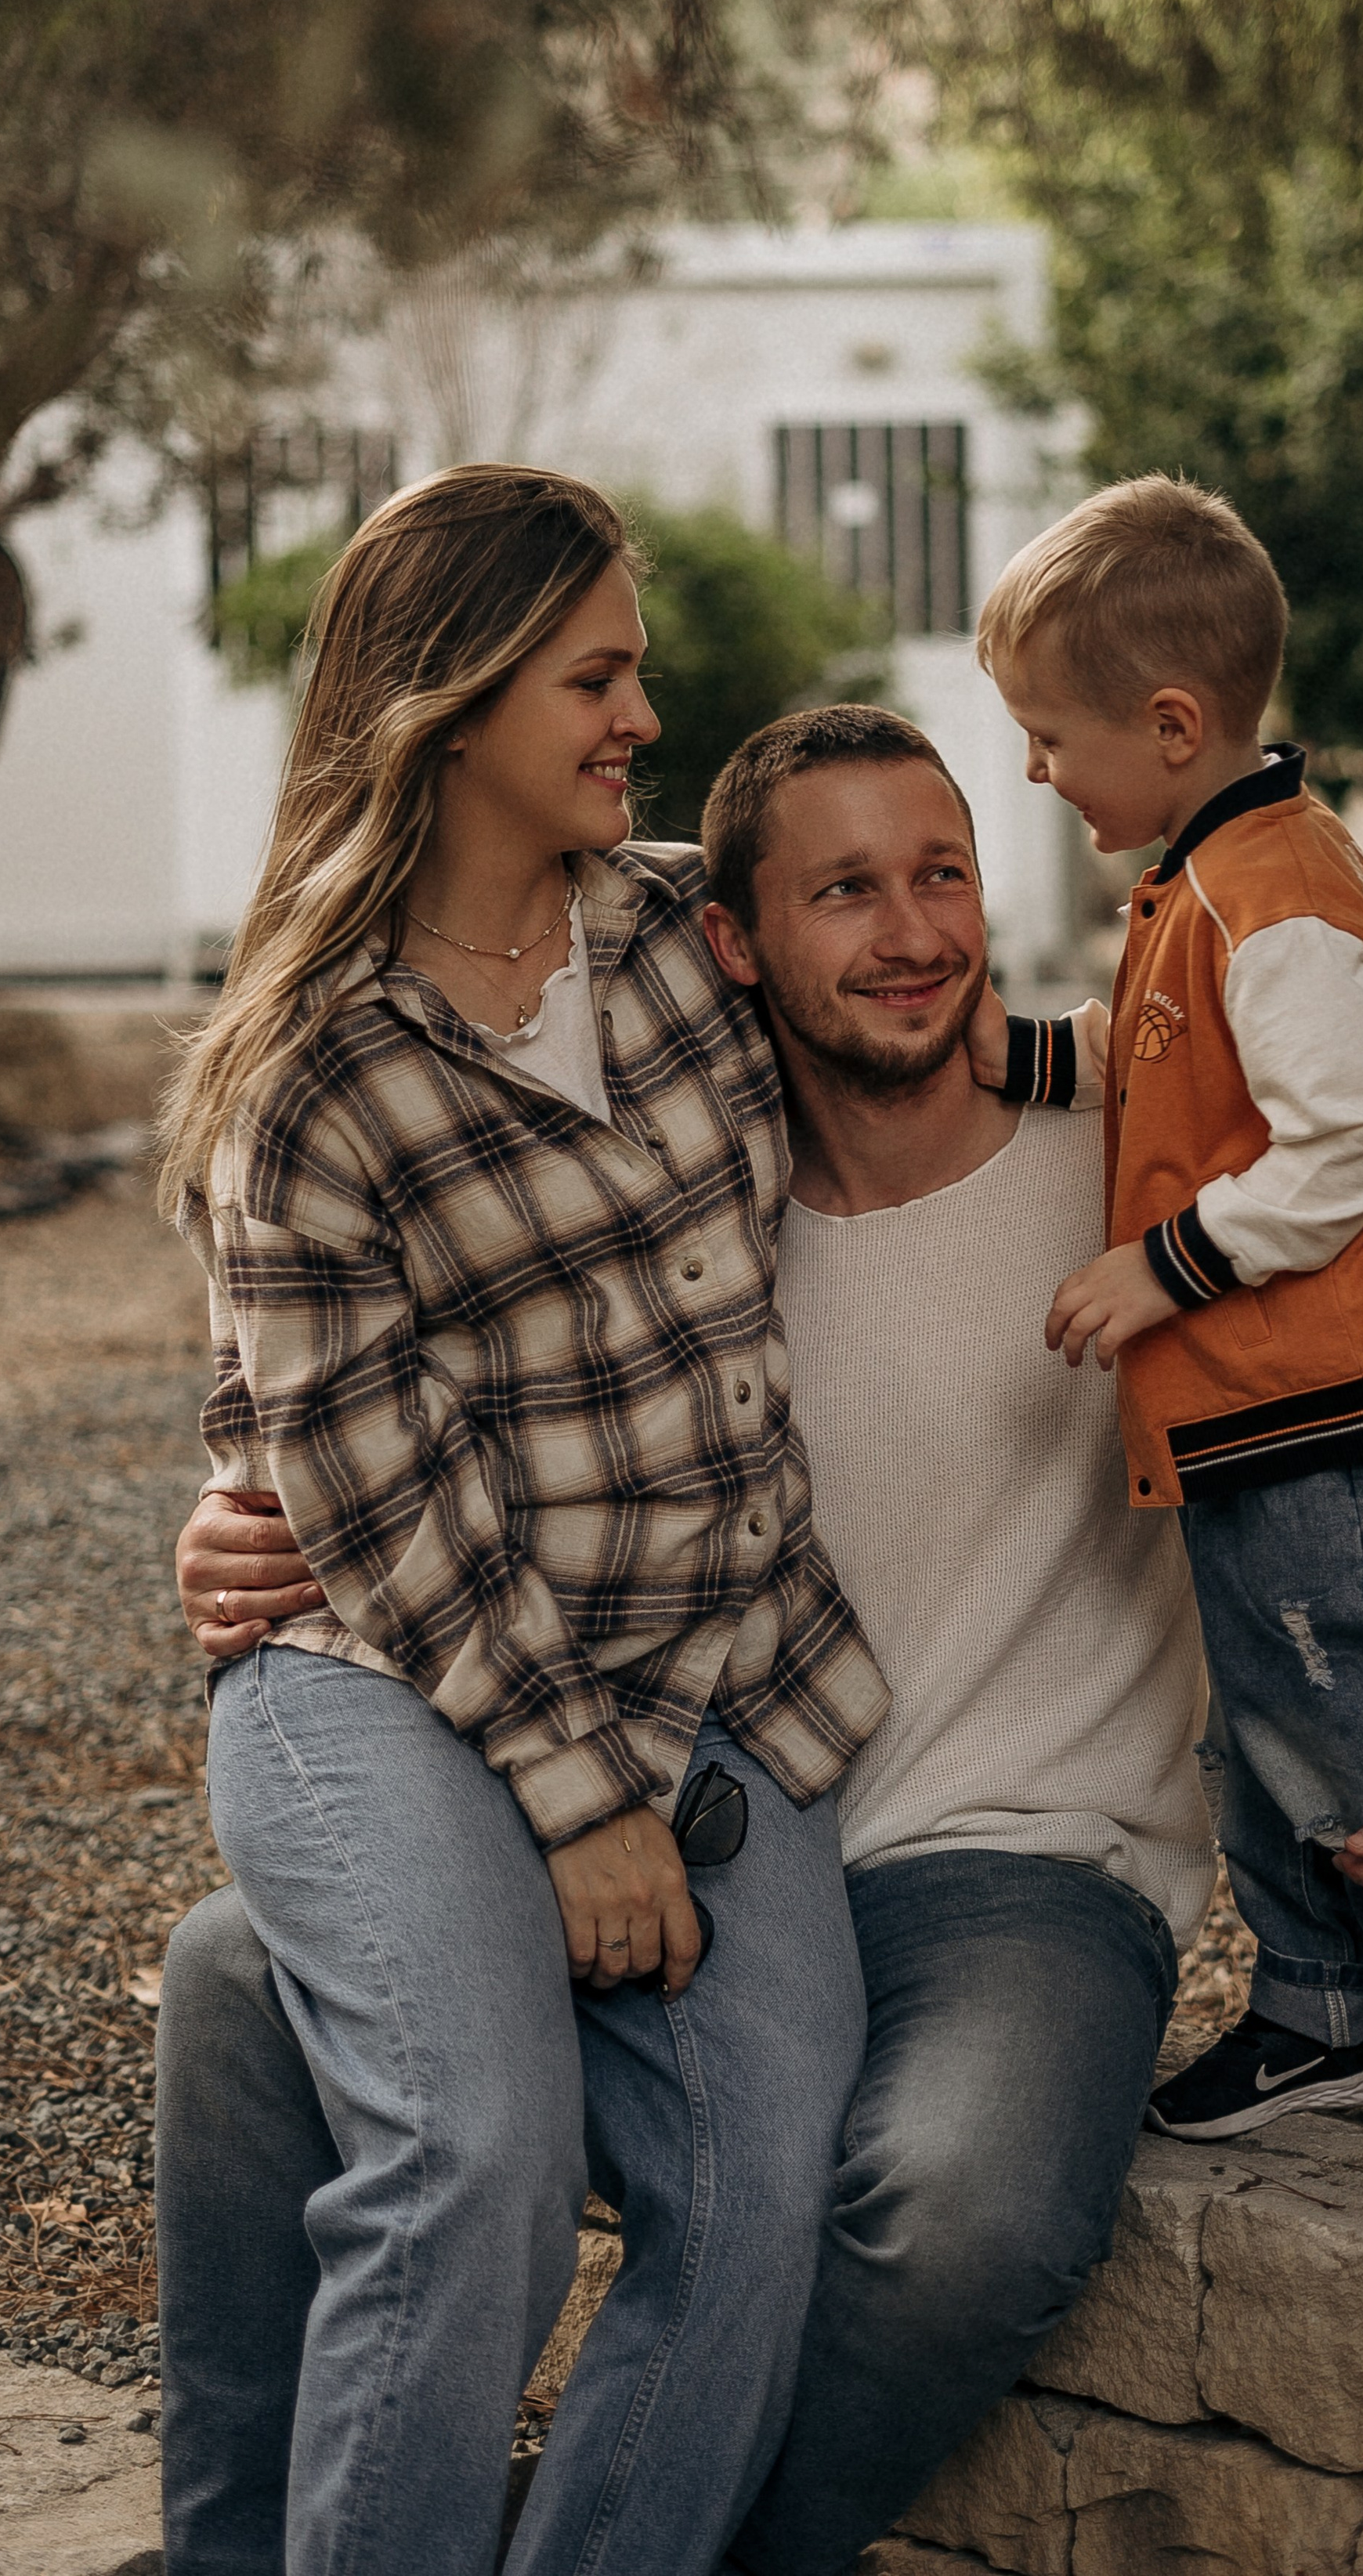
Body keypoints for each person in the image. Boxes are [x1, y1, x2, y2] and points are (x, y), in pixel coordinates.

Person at [165, 703, 1363, 2576]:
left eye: (943, 877)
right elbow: (400, 1420)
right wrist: (248, 1515)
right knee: (235, 1983)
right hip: (707, 1814)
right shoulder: (681, 1214)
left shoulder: (1147, 1200)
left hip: (1018, 1871)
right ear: (728, 939)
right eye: (843, 892)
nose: (912, 934)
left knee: (955, 2199)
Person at [153, 468, 892, 2576]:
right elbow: (365, 1486)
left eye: (635, 669)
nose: (642, 713)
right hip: (384, 1674)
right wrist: (580, 1808)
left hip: (714, 1681)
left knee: (760, 2191)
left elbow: (911, 1030)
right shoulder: (311, 1063)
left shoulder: (679, 936)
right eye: (597, 673)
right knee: (478, 2152)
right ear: (458, 699)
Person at [976, 471, 1363, 2178]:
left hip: (1355, 1409)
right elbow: (1158, 1050)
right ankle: (1319, 2012)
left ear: (1168, 724)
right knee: (1268, 1724)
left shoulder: (1278, 899)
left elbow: (1352, 1135)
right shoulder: (1213, 879)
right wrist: (1015, 1062)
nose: (1033, 769)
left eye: (1046, 736)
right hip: (1288, 1414)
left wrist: (1160, 1267)